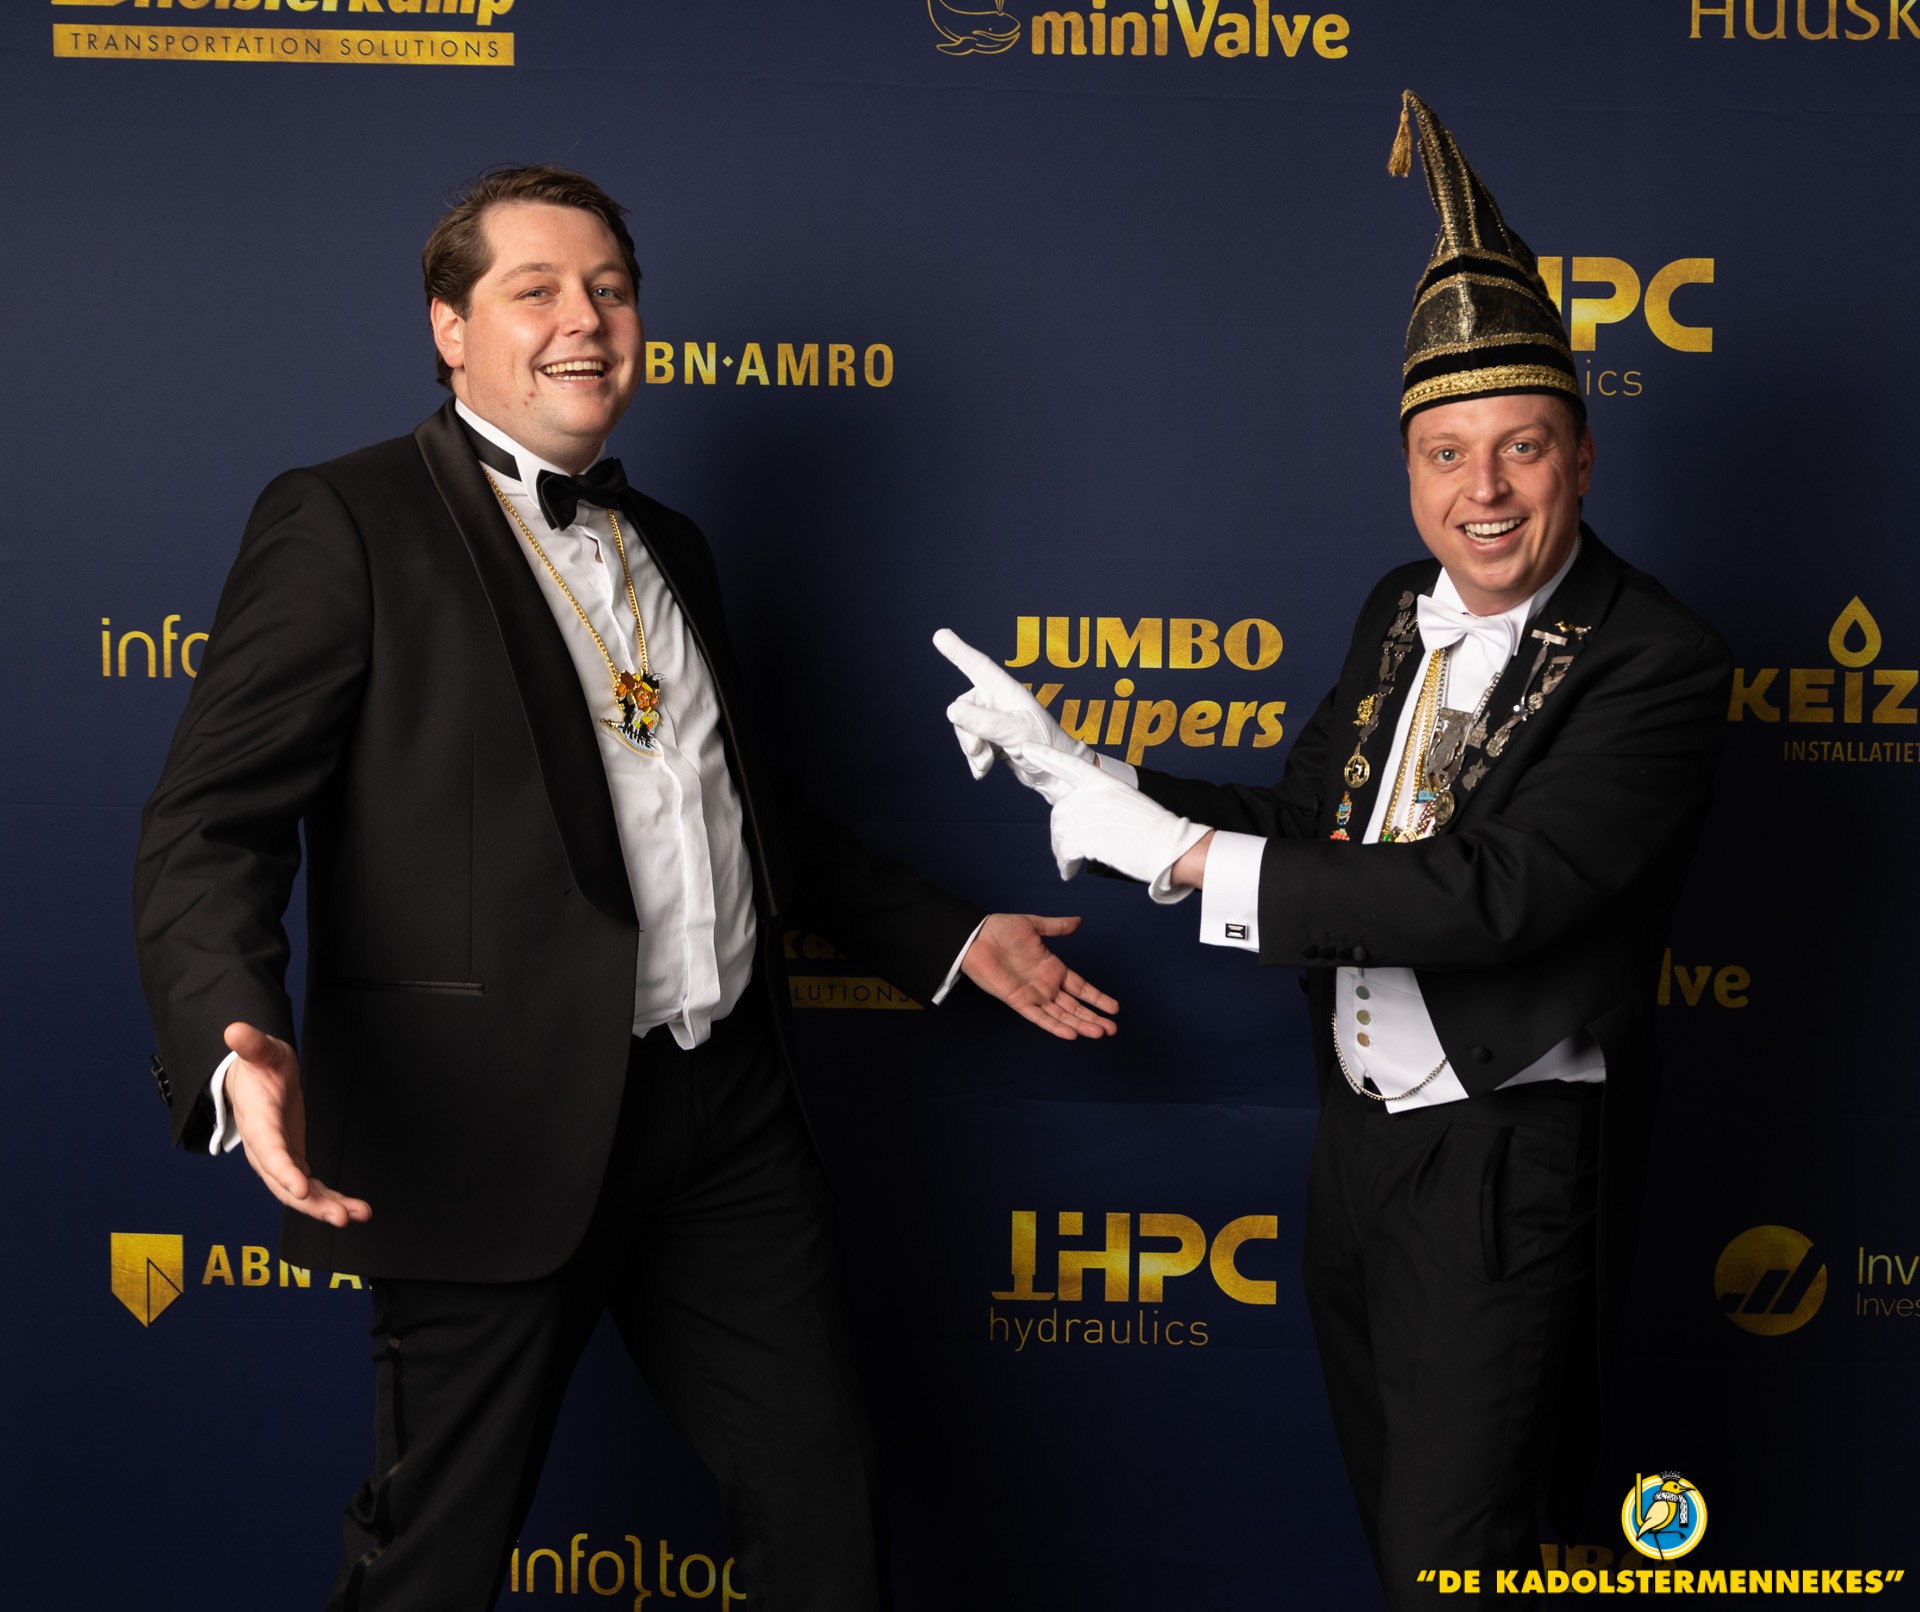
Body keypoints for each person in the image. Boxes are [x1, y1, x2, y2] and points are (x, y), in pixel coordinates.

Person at [132, 164, 1118, 1612]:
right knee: (433, 1557)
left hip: (723, 1117)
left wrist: (951, 937)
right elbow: (206, 824)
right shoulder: (344, 519)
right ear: (450, 329)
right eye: (534, 290)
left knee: (824, 1513)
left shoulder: (674, 546)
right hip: (481, 1126)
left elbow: (738, 807)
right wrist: (234, 1035)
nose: (582, 320)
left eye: (608, 289)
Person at [938, 93, 1729, 1608]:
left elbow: (1495, 898)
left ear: (1581, 456)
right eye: (1446, 453)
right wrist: (1084, 769)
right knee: (1396, 1531)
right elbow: (1312, 831)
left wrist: (1172, 858)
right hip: (1358, 1147)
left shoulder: (1659, 660)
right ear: (1410, 467)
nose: (1481, 492)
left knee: (1458, 1566)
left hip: (1504, 1160)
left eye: (1520, 449)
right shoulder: (1393, 609)